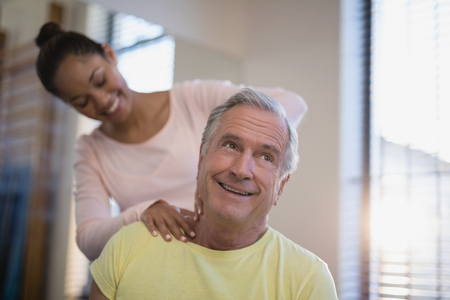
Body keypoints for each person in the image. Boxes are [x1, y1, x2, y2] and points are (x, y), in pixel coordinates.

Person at [35, 22, 308, 260]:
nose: (103, 101)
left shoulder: (191, 99)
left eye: (100, 80)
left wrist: (220, 157)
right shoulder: (91, 149)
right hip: (153, 270)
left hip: (225, 256)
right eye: (82, 102)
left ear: (109, 54)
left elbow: (292, 104)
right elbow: (88, 239)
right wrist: (144, 211)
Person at [89, 89, 338, 299]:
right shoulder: (127, 246)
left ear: (280, 187)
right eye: (231, 145)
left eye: (265, 156)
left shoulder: (308, 281)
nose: (242, 170)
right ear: (201, 160)